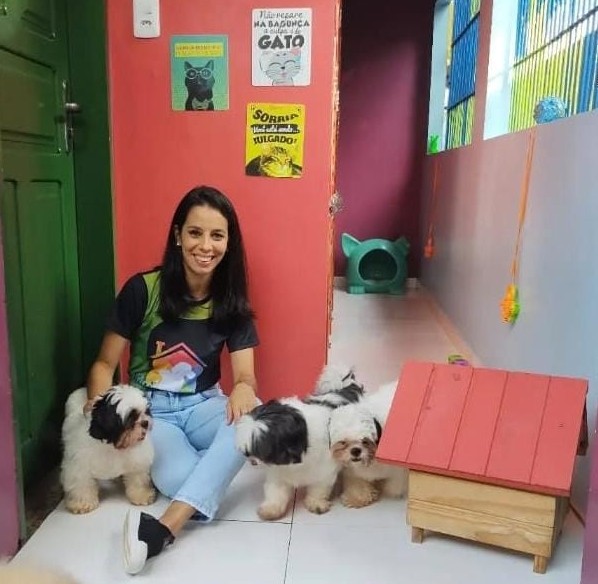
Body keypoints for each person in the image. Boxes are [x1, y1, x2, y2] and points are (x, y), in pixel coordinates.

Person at [85, 185, 259, 574]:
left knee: (255, 420)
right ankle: (215, 468)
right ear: (178, 235)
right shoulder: (142, 289)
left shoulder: (231, 300)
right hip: (150, 413)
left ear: (229, 242)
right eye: (195, 232)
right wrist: (99, 414)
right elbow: (104, 364)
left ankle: (163, 528)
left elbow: (246, 375)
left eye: (217, 235)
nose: (206, 246)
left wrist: (244, 387)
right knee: (182, 480)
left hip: (204, 405)